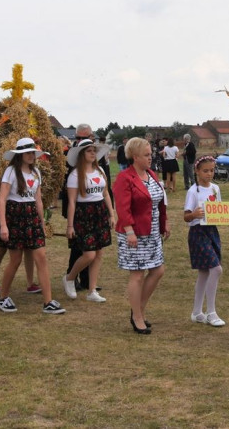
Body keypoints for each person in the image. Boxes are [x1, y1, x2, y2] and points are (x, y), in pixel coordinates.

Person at [0, 137, 65, 315]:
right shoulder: (10, 171)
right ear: (20, 155)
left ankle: (48, 301)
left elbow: (38, 200)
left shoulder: (36, 173)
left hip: (31, 215)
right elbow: (2, 199)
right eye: (28, 153)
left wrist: (41, 222)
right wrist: (3, 225)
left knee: (41, 257)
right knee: (15, 260)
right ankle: (3, 297)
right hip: (15, 216)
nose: (32, 155)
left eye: (33, 152)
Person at [113, 137, 169, 334]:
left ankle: (138, 309)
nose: (150, 158)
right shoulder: (124, 178)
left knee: (158, 271)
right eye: (146, 155)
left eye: (150, 154)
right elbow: (122, 207)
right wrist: (129, 231)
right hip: (134, 234)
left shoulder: (151, 174)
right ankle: (137, 316)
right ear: (135, 157)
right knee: (137, 275)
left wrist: (165, 223)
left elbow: (160, 202)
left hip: (152, 232)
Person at [62, 138, 116, 303]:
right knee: (89, 254)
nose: (93, 153)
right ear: (81, 154)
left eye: (94, 151)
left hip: (99, 213)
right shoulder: (75, 175)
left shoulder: (99, 171)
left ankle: (92, 290)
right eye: (89, 151)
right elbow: (71, 201)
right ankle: (69, 278)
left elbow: (105, 193)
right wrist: (70, 225)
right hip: (83, 215)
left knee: (99, 253)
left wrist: (111, 214)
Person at [183, 155, 225, 327]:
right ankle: (211, 312)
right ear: (197, 171)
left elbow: (220, 210)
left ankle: (196, 312)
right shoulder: (193, 191)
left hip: (212, 231)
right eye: (205, 171)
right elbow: (186, 216)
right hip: (198, 233)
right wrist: (194, 214)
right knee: (216, 269)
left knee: (204, 272)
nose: (209, 174)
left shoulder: (215, 189)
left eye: (212, 170)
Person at [62, 123, 95, 292]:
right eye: (78, 138)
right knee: (77, 245)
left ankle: (88, 280)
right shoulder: (69, 154)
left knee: (91, 245)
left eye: (85, 138)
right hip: (76, 205)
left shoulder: (94, 153)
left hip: (93, 205)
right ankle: (71, 276)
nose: (80, 140)